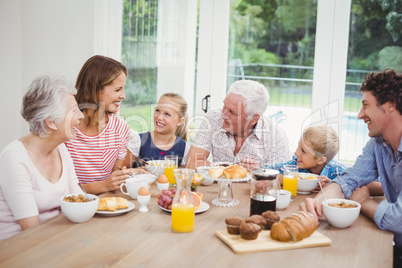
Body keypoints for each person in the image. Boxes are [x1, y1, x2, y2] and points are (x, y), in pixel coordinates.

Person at [299, 69, 402, 268]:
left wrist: (364, 202)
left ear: (390, 104)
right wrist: (319, 202)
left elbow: (399, 219)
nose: (359, 115)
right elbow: (349, 179)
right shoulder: (378, 144)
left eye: (365, 105)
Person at [0, 73, 84, 241]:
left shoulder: (61, 150)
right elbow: (32, 232)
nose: (81, 116)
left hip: (54, 240)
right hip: (18, 249)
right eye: (74, 111)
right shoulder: (14, 158)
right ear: (51, 122)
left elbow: (79, 204)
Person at [65, 55, 143, 195]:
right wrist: (104, 185)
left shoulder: (120, 128)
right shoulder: (65, 126)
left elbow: (113, 180)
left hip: (103, 205)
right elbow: (60, 189)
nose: (123, 96)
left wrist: (129, 174)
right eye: (118, 89)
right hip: (68, 209)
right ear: (95, 89)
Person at [187, 79, 290, 170]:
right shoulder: (213, 117)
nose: (223, 115)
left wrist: (259, 172)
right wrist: (233, 170)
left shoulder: (276, 136)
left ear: (254, 118)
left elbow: (281, 179)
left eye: (232, 112)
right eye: (224, 106)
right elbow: (192, 163)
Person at [124, 93, 189, 168]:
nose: (159, 117)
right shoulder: (138, 140)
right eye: (157, 110)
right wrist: (136, 171)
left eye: (167, 114)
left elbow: (182, 177)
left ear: (180, 121)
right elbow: (119, 171)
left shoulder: (185, 148)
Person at [267, 125, 345, 186]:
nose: (296, 153)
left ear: (321, 160)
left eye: (303, 151)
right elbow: (266, 172)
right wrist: (285, 178)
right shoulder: (295, 165)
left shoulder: (338, 173)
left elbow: (353, 191)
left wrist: (332, 186)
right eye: (298, 146)